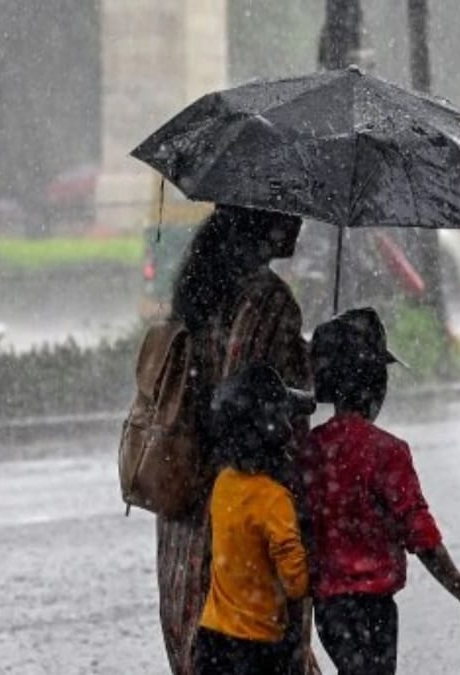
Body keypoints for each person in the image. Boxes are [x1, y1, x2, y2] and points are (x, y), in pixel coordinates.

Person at [300, 308, 460, 675]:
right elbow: (422, 537)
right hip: (374, 609)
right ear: (375, 384)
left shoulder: (308, 450)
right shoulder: (387, 451)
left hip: (326, 611)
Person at [158, 204, 313, 675]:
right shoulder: (269, 301)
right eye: (290, 210)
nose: (299, 223)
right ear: (263, 219)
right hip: (244, 504)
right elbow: (253, 400)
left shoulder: (199, 291)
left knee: (198, 635)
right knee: (261, 643)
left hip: (186, 493)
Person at [195, 365, 315, 675]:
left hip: (211, 641)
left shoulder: (223, 484)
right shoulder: (274, 500)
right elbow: (297, 583)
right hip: (257, 651)